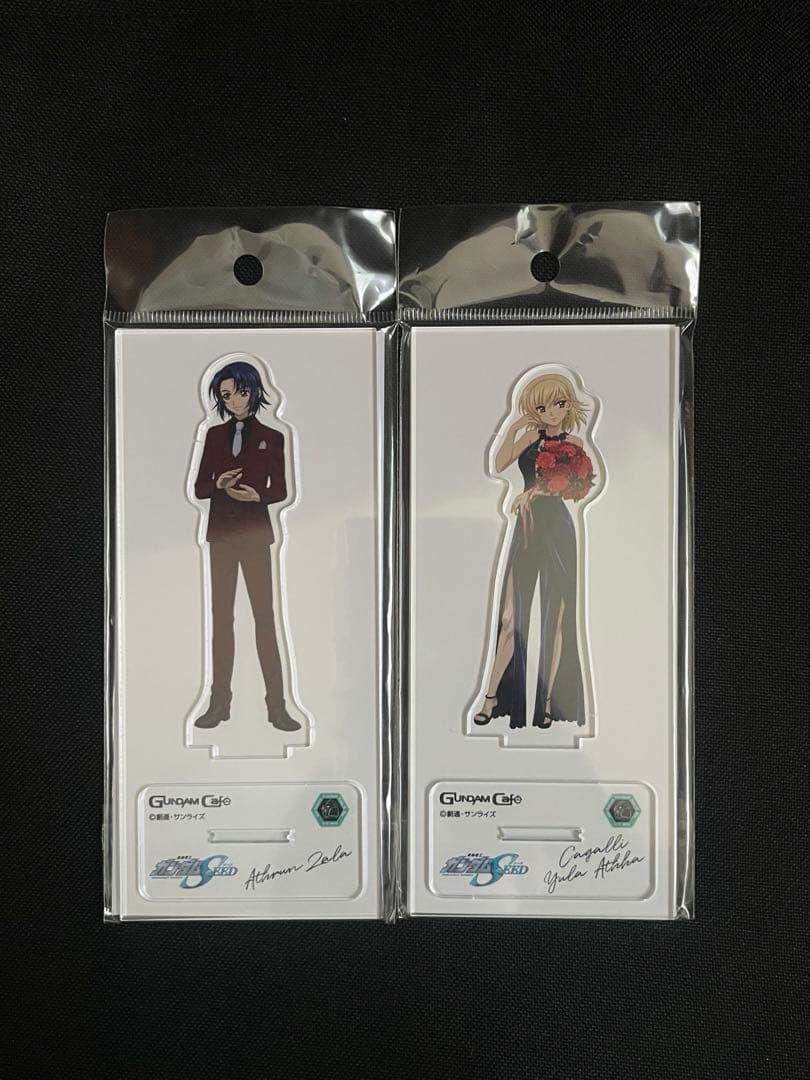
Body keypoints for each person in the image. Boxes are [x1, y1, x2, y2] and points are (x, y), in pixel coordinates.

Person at [473, 372, 591, 730]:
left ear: (569, 404)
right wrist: (512, 426)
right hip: (527, 527)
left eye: (559, 403)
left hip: (558, 529)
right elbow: (498, 464)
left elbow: (578, 487)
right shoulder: (530, 438)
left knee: (557, 618)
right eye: (542, 407)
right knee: (511, 619)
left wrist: (537, 492)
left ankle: (549, 701)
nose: (552, 412)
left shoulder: (575, 444)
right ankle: (491, 696)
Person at [192, 357, 300, 731]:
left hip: (255, 535)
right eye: (226, 395)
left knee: (265, 618)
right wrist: (218, 484)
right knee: (221, 619)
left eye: (240, 392)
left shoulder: (274, 437)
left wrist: (258, 497)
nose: (235, 401)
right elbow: (199, 488)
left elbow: (281, 490)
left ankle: (277, 706)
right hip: (221, 536)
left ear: (254, 391)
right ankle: (219, 702)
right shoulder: (213, 436)